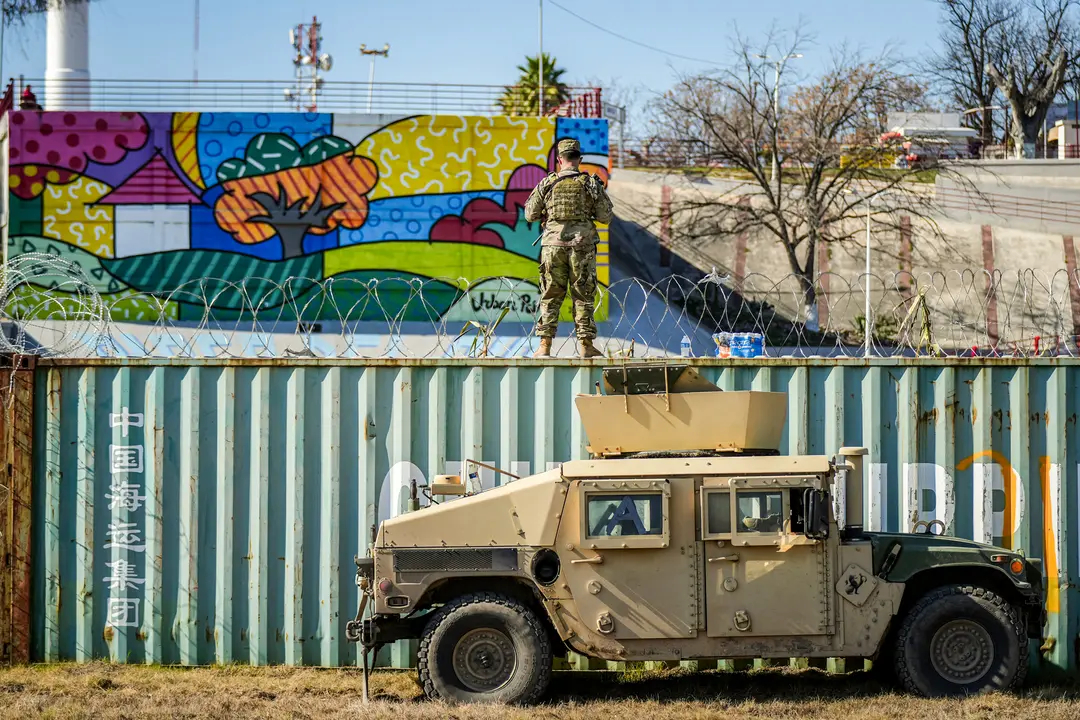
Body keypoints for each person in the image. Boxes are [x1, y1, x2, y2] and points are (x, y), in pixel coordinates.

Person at [524, 138, 614, 358]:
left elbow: (530, 214)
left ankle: (544, 346)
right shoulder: (590, 184)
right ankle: (585, 345)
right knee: (583, 295)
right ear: (579, 159)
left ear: (559, 159)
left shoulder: (547, 183)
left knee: (550, 294)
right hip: (581, 247)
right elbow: (606, 216)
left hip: (552, 247)